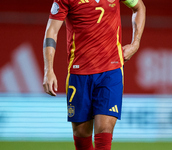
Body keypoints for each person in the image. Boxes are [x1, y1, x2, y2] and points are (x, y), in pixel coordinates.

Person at [43, 0, 145, 149]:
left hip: (111, 71)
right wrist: (48, 70)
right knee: (81, 137)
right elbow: (51, 31)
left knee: (104, 131)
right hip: (79, 74)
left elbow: (139, 7)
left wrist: (135, 44)